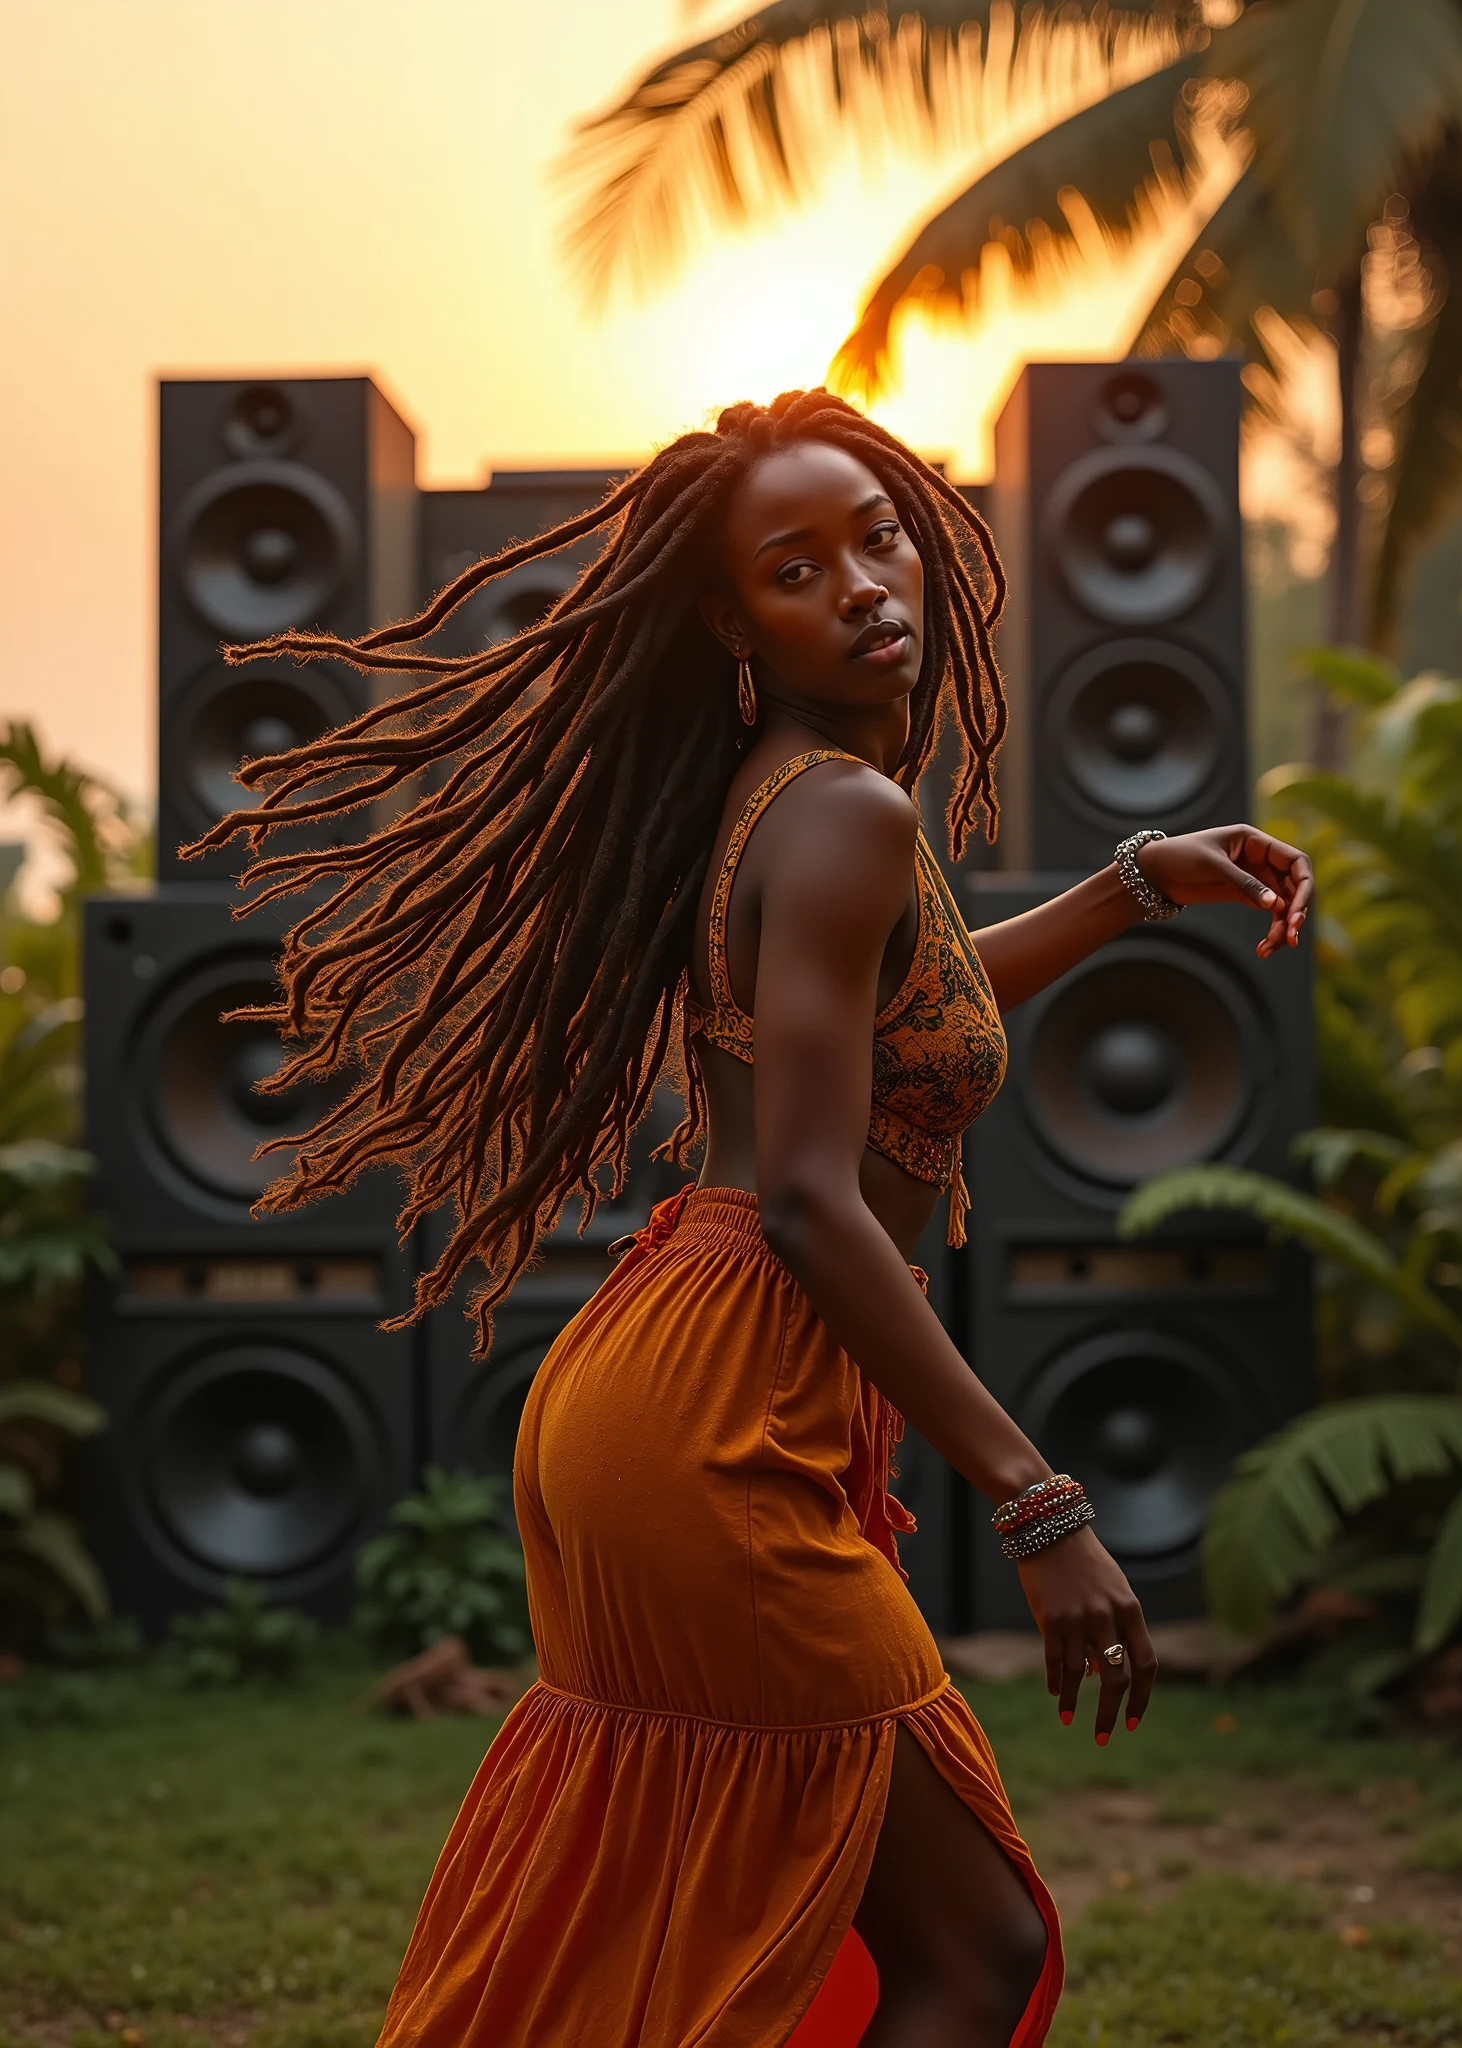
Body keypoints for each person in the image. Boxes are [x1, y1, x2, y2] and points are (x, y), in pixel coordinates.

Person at [194, 388, 1313, 2047]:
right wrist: (1037, 1498)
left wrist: (1135, 883)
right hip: (720, 1422)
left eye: (878, 537)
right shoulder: (843, 812)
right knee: (974, 1946)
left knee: (704, 1937)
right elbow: (806, 1195)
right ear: (729, 617)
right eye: (798, 568)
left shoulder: (789, 795)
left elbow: (912, 1016)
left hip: (663, 1390)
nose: (864, 585)